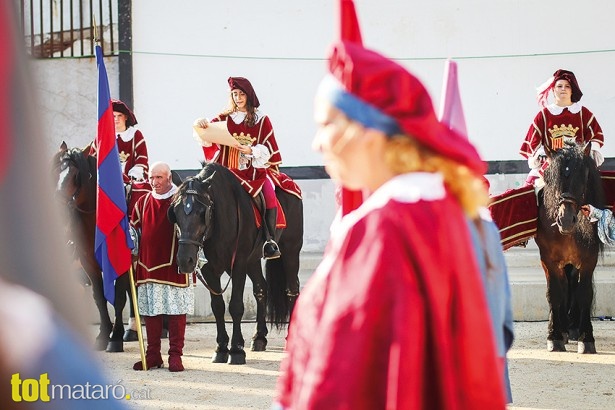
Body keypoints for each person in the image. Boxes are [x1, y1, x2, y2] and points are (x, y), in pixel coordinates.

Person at [273, 3, 506, 408]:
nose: (317, 143)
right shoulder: (436, 210)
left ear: (368, 131)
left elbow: (344, 377)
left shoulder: (383, 230)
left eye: (326, 125)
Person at [193, 77, 301, 259]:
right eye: (234, 94)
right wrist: (201, 123)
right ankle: (203, 244)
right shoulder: (223, 118)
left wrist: (251, 150)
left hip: (254, 173)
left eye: (241, 94)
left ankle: (269, 240)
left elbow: (269, 149)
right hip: (227, 173)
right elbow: (207, 137)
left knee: (270, 193)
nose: (238, 98)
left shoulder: (262, 120)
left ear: (249, 95)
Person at [130, 161, 194, 372]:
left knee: (176, 314)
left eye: (158, 178)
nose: (154, 182)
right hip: (147, 265)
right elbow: (135, 229)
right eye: (151, 177)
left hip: (173, 265)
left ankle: (175, 355)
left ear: (168, 178)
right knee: (151, 313)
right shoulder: (143, 201)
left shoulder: (181, 200)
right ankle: (153, 355)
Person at [520, 69, 605, 188]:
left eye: (567, 86)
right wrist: (540, 153)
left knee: (600, 189)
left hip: (578, 165)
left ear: (572, 90)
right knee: (527, 191)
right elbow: (533, 142)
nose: (563, 89)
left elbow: (595, 136)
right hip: (551, 164)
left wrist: (590, 151)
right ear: (553, 90)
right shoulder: (543, 115)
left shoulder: (583, 113)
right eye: (559, 86)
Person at [90, 99, 150, 184]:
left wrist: (133, 176)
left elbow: (142, 158)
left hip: (131, 182)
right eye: (113, 116)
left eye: (120, 115)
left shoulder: (136, 135)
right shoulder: (102, 136)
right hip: (106, 183)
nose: (116, 119)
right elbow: (92, 159)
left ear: (126, 117)